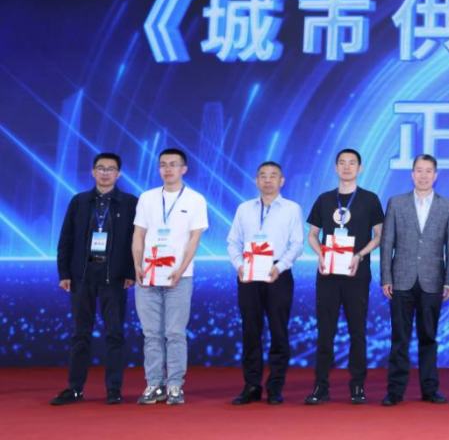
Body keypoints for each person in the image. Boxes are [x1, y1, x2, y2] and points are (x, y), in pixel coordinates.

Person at [52, 153, 138, 406]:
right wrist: (64, 273)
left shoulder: (130, 203)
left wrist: (131, 272)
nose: (105, 173)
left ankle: (114, 389)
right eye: (101, 168)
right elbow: (66, 239)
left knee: (114, 334)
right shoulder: (79, 201)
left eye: (111, 169)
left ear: (118, 174)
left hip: (115, 278)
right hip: (82, 277)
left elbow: (137, 241)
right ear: (93, 172)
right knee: (81, 335)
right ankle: (75, 389)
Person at [304, 149, 383, 405]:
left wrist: (359, 255)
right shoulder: (325, 199)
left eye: (352, 163)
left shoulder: (370, 199)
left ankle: (357, 385)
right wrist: (321, 254)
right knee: (325, 331)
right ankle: (320, 386)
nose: (347, 167)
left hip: (356, 273)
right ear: (335, 167)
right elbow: (312, 235)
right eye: (342, 163)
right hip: (327, 274)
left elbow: (379, 236)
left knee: (357, 331)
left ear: (360, 168)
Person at [131, 148, 209, 406]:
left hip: (179, 276)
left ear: (184, 169)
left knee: (175, 333)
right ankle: (154, 384)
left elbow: (194, 239)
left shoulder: (195, 199)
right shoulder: (147, 198)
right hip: (148, 275)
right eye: (163, 164)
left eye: (173, 164)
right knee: (151, 334)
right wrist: (137, 265)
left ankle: (175, 384)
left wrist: (181, 268)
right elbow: (138, 235)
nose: (168, 169)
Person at [380, 154, 449, 406]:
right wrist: (386, 277)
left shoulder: (448, 206)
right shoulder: (396, 203)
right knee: (399, 338)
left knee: (429, 337)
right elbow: (387, 243)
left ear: (435, 175)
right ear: (412, 174)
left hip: (433, 280)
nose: (423, 175)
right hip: (400, 279)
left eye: (428, 171)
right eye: (419, 171)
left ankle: (430, 389)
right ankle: (395, 391)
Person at [225, 161, 304, 405]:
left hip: (277, 273)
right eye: (263, 176)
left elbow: (297, 244)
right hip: (248, 273)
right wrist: (239, 265)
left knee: (279, 331)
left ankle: (275, 386)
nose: (268, 180)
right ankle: (251, 385)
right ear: (256, 180)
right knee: (250, 331)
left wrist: (280, 267)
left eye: (273, 176)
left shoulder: (292, 209)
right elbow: (233, 242)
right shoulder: (244, 208)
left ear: (282, 181)